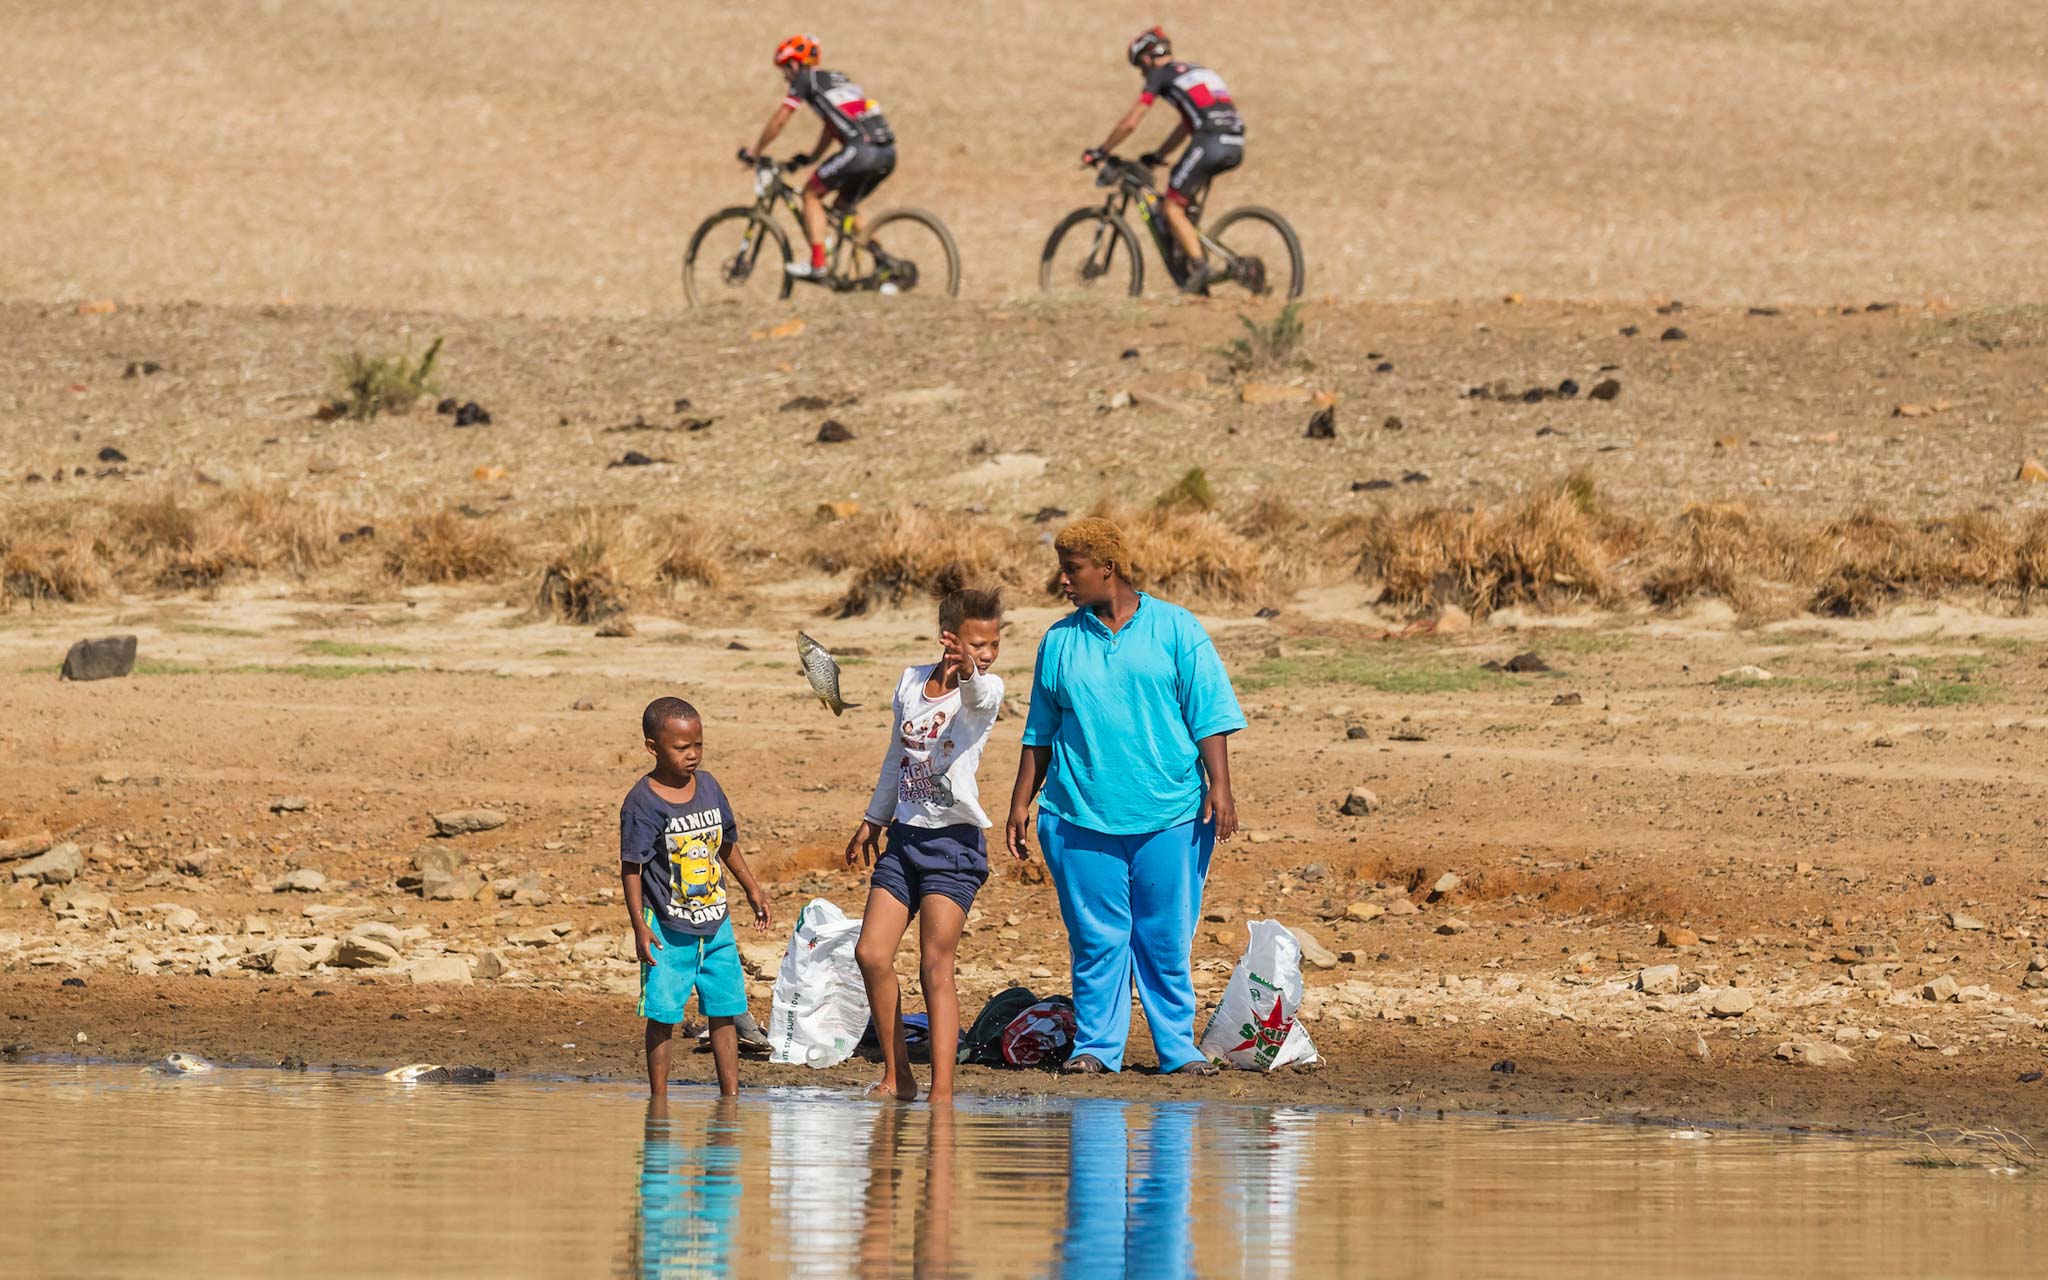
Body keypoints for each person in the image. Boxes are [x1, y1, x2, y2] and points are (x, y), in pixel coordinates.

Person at [1004, 518, 1244, 1076]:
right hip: (1079, 814)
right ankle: (1097, 1048)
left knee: (1163, 938)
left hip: (1172, 813)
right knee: (1097, 938)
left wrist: (1221, 786)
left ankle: (1177, 1049)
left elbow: (1207, 714)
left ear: (1107, 569)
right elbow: (1040, 729)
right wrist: (1020, 802)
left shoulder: (1177, 630)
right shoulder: (1060, 641)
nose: (1063, 580)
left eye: (1073, 569)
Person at [846, 571, 1005, 1103]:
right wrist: (873, 818)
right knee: (871, 953)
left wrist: (970, 669)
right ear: (948, 637)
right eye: (977, 643)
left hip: (953, 846)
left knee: (934, 966)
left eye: (994, 643)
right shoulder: (910, 681)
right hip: (905, 839)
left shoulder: (985, 689)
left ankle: (942, 1094)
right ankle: (899, 1077)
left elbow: (979, 695)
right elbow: (897, 755)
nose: (987, 652)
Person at [620, 697, 772, 1100]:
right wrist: (639, 926)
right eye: (681, 748)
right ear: (653, 747)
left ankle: (731, 1098)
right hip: (667, 930)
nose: (692, 755)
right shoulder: (642, 803)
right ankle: (659, 1102)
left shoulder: (708, 787)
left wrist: (752, 888)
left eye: (698, 746)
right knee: (663, 1013)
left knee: (725, 1010)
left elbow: (727, 844)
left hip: (716, 923)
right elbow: (631, 868)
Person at [1083, 27, 1246, 293]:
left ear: (1146, 58)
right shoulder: (1195, 70)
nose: (1142, 73)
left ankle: (1199, 268)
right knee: (1182, 204)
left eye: (1139, 66)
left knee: (1171, 207)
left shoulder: (1160, 75)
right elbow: (1187, 124)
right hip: (1234, 141)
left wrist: (1101, 150)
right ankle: (1194, 258)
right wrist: (1160, 154)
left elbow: (1131, 122)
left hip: (1210, 140)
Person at [746, 34, 898, 282]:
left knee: (810, 194)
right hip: (887, 151)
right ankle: (886, 263)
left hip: (862, 150)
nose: (785, 76)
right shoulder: (836, 79)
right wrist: (812, 157)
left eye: (785, 69)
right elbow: (832, 126)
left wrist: (756, 151)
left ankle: (818, 264)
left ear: (794, 64)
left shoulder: (805, 80)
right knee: (843, 207)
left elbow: (781, 118)